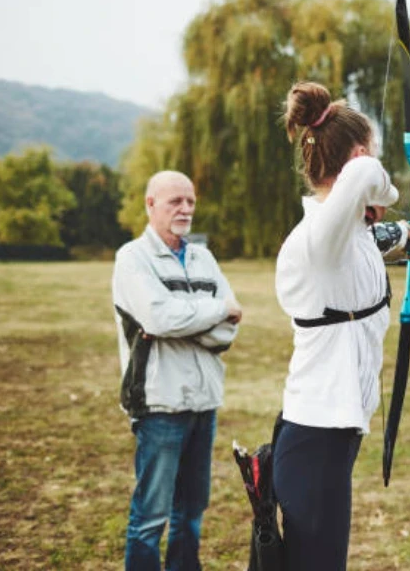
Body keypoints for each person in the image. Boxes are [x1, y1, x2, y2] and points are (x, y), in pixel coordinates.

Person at [273, 81, 410, 570]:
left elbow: (374, 238)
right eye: (370, 153)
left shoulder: (347, 234)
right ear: (359, 155)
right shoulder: (318, 239)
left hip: (333, 431)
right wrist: (387, 187)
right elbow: (367, 176)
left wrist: (406, 231)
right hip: (315, 432)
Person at [112, 170, 243, 571]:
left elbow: (228, 329)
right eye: (175, 201)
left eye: (190, 201)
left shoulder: (203, 257)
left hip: (204, 402)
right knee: (150, 518)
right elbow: (158, 318)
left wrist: (195, 320)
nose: (185, 209)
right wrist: (215, 311)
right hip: (160, 404)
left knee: (190, 515)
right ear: (151, 205)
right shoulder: (132, 258)